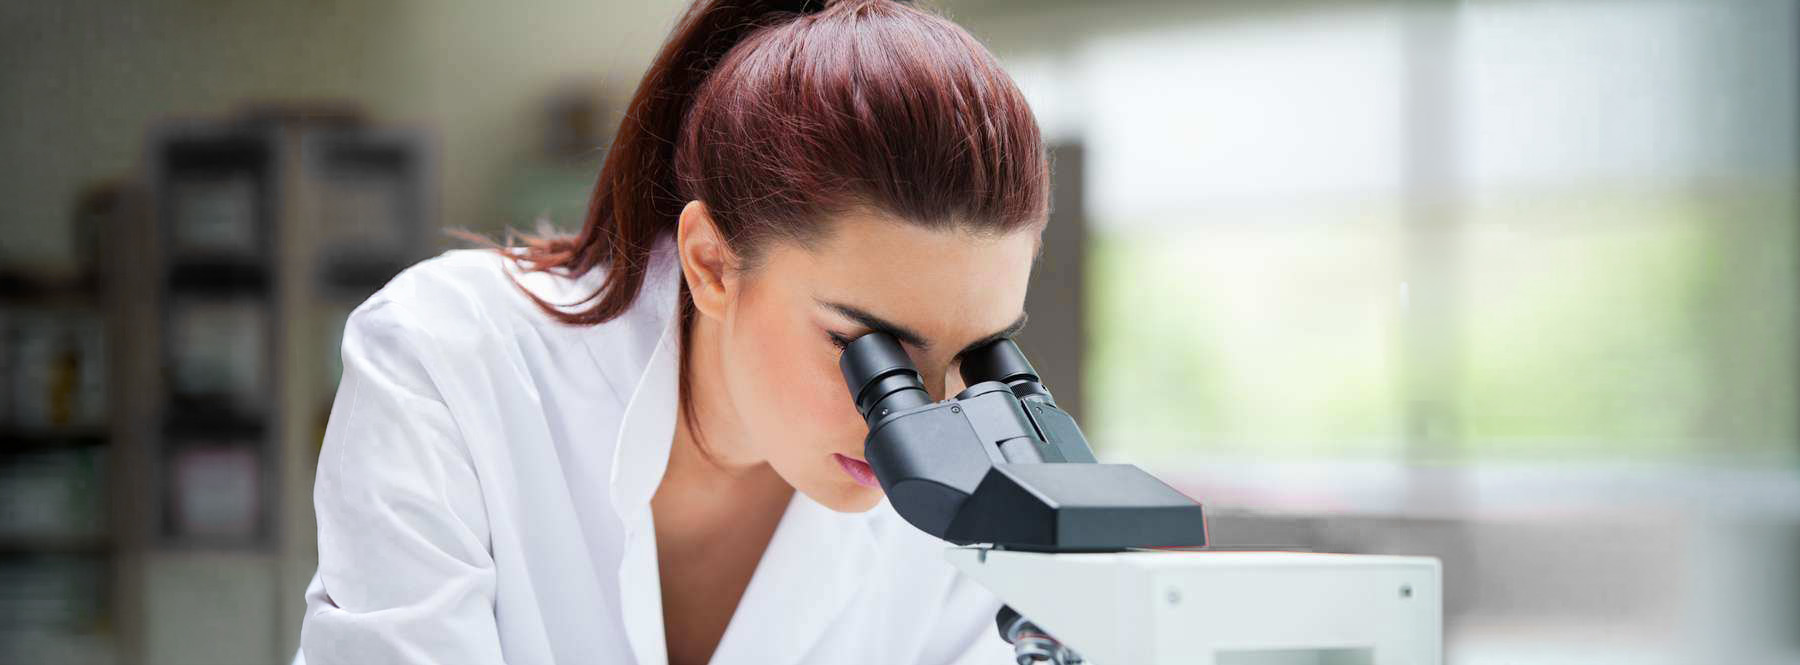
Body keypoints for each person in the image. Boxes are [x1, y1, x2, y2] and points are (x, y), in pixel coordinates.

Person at [296, 0, 1050, 663]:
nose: (914, 426)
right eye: (872, 353)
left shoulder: (961, 504)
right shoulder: (447, 360)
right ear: (712, 263)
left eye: (969, 361)